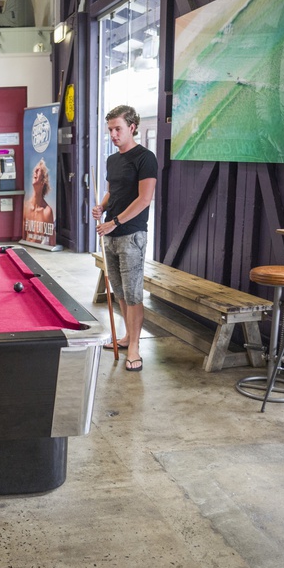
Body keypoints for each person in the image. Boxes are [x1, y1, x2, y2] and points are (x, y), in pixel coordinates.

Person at [91, 105, 158, 372]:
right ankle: (127, 336)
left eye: (118, 129)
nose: (113, 134)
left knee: (132, 294)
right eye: (110, 130)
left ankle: (134, 349)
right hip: (110, 232)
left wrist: (115, 221)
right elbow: (113, 192)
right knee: (118, 291)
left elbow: (144, 199)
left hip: (132, 235)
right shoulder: (112, 160)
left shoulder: (145, 158)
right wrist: (102, 207)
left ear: (132, 127)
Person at [23, 158, 55, 244]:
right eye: (34, 170)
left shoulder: (47, 211)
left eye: (38, 170)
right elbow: (23, 237)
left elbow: (52, 241)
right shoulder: (26, 206)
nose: (35, 172)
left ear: (43, 180)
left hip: (39, 254)